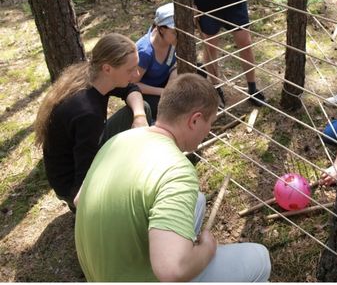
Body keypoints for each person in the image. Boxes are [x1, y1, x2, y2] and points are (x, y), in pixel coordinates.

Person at [74, 73, 271, 282]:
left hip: (99, 274)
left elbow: (79, 200)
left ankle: (172, 245)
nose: (209, 130)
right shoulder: (177, 171)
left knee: (197, 200)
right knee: (259, 257)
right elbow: (172, 271)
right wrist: (207, 249)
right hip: (143, 277)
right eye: (210, 122)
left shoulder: (118, 140)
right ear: (195, 120)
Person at [34, 33, 151, 212]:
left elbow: (131, 89)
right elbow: (84, 172)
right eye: (130, 70)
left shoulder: (92, 75)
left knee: (142, 107)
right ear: (107, 69)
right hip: (73, 187)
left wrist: (139, 116)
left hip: (80, 160)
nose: (136, 74)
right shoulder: (88, 113)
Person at [134, 2, 178, 120]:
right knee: (168, 108)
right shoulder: (145, 52)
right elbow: (133, 84)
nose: (179, 35)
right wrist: (163, 92)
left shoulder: (172, 40)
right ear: (162, 29)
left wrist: (171, 85)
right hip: (148, 93)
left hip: (166, 83)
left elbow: (175, 63)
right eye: (175, 32)